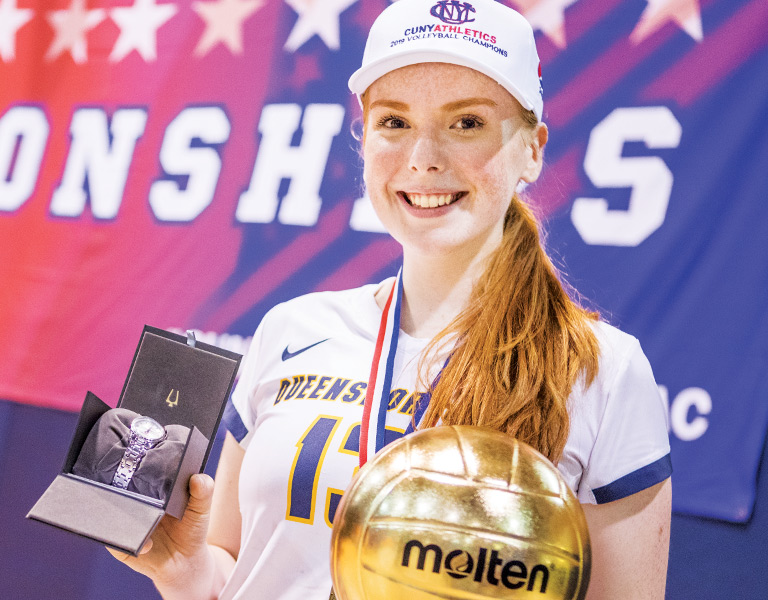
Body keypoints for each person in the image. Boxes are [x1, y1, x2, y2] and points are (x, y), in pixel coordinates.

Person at [112, 0, 672, 598]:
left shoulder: (599, 372)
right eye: (394, 122)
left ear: (531, 149)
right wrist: (185, 571)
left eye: (467, 123)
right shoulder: (292, 330)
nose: (423, 158)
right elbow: (233, 566)